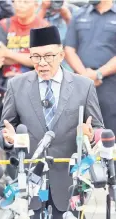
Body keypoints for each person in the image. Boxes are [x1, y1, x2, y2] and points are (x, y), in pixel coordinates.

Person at [0, 26, 104, 219]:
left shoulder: (83, 86)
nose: (42, 63)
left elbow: (97, 129)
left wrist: (90, 136)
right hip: (29, 182)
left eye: (48, 56)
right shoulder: (16, 85)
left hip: (70, 181)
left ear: (62, 55)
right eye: (36, 57)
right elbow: (3, 130)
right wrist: (9, 139)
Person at [64, 0, 116, 138]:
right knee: (82, 131)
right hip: (81, 84)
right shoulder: (78, 15)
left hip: (110, 85)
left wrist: (99, 74)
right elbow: (69, 49)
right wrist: (85, 76)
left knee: (110, 133)